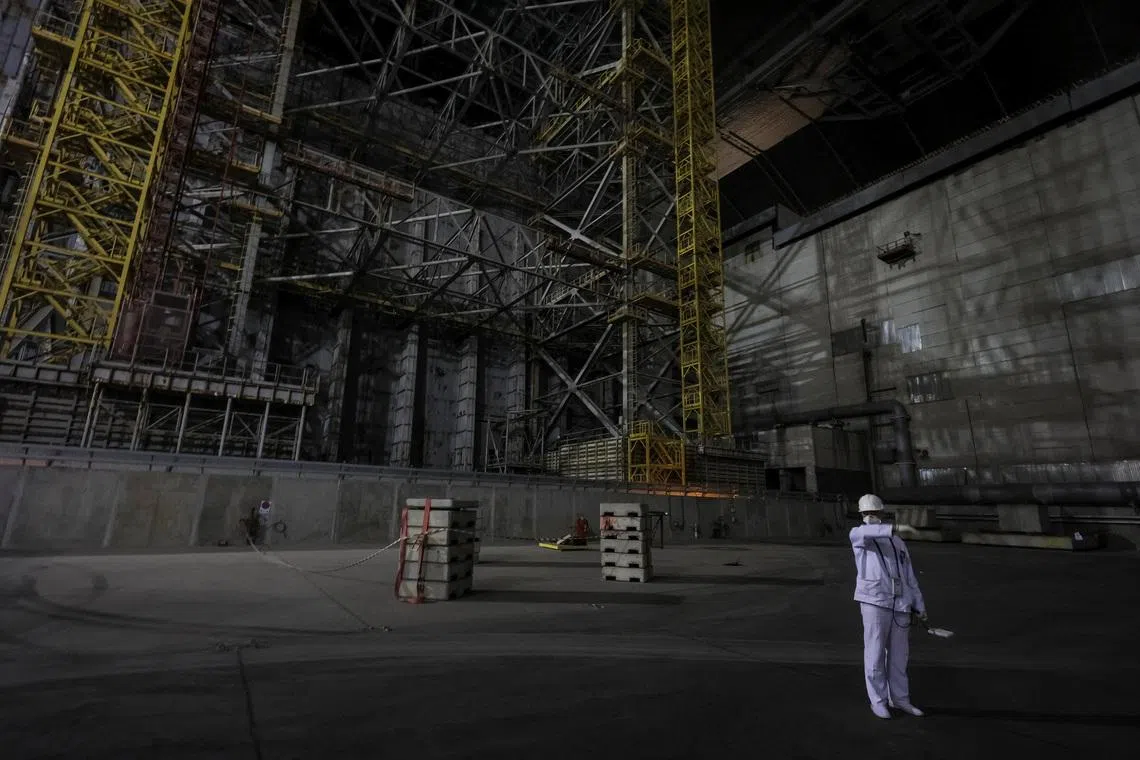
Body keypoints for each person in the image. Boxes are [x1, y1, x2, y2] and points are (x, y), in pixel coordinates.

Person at [850, 493, 927, 719]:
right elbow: (865, 531)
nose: (871, 517)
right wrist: (897, 528)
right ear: (861, 515)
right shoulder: (860, 535)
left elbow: (909, 575)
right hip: (874, 600)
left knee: (899, 656)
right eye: (867, 514)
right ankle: (878, 700)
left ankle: (901, 699)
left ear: (882, 513)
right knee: (874, 654)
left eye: (875, 513)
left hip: (900, 602)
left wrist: (919, 605)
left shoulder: (897, 541)